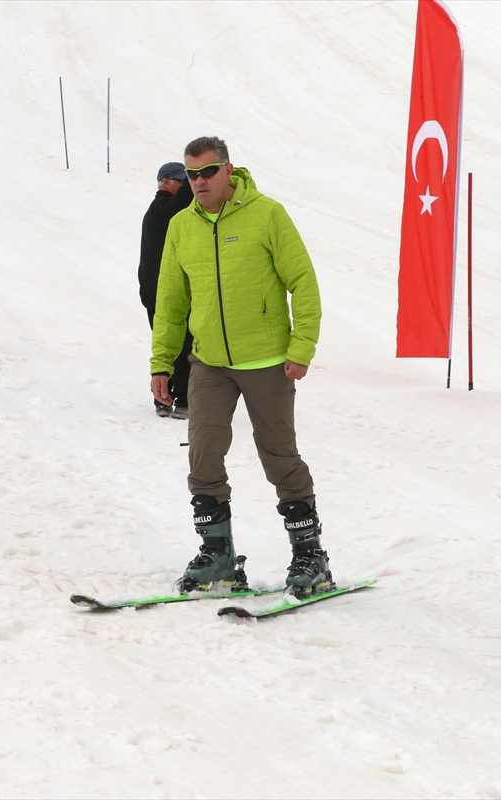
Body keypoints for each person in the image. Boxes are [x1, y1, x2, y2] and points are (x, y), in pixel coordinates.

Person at [150, 136, 327, 598]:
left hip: (268, 360)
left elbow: (303, 283)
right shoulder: (182, 227)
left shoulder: (266, 214)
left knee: (279, 456)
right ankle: (218, 556)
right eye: (191, 174)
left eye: (207, 172)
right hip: (209, 361)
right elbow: (170, 302)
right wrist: (161, 364)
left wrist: (301, 346)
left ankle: (310, 556)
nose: (198, 182)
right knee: (203, 454)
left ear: (228, 170)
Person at [138, 161, 194, 418]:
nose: (190, 185)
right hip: (162, 294)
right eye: (184, 180)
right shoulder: (161, 208)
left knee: (174, 347)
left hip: (160, 293)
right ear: (166, 183)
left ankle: (166, 398)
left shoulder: (162, 211)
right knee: (180, 348)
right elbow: (179, 205)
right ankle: (180, 400)